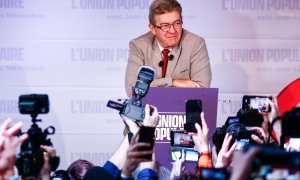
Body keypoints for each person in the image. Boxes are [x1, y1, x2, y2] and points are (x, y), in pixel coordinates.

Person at [125, 0, 212, 97]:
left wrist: (153, 85)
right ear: (153, 28)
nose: (172, 30)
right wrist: (172, 82)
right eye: (165, 26)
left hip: (183, 109)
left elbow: (202, 89)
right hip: (148, 109)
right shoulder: (139, 45)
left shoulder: (195, 44)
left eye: (177, 23)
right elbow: (132, 90)